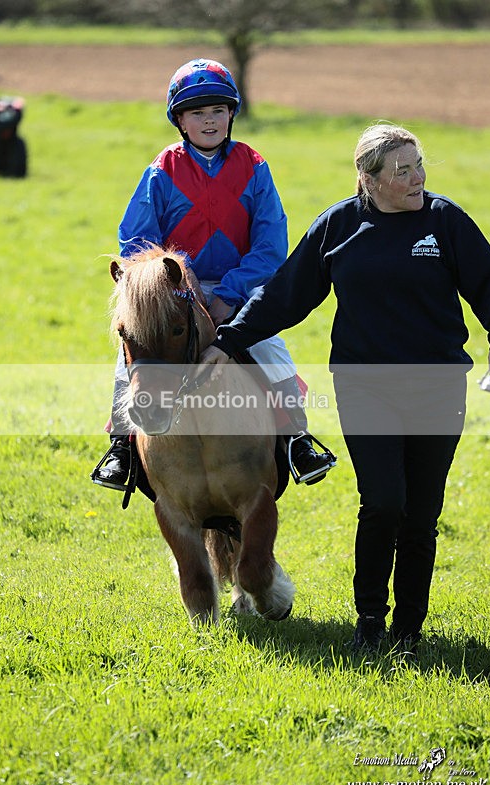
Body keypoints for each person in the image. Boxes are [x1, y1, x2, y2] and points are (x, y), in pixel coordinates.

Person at [200, 122, 490, 653]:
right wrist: (228, 340)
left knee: (422, 513)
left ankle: (408, 629)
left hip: (438, 386)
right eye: (402, 171)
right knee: (383, 501)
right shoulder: (339, 227)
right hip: (366, 386)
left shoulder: (445, 221)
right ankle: (369, 621)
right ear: (369, 178)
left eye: (419, 166)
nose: (417, 179)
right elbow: (286, 296)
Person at [92, 58, 331, 492]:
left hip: (240, 291)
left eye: (218, 111)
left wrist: (231, 295)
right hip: (176, 292)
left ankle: (297, 439)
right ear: (180, 120)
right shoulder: (161, 171)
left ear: (231, 115)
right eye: (198, 112)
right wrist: (173, 289)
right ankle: (122, 447)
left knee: (272, 351)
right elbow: (136, 241)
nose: (209, 120)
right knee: (132, 357)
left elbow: (271, 244)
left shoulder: (254, 166)